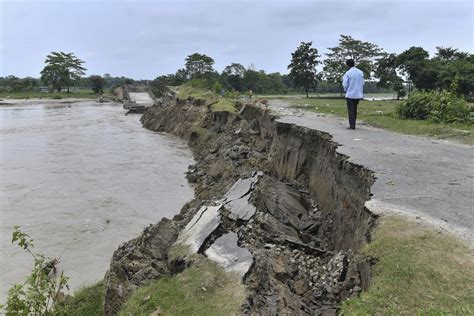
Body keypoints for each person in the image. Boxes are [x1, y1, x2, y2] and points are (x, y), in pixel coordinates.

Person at [342, 59, 364, 130]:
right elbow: (363, 83)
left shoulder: (348, 73)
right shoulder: (360, 72)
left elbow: (345, 84)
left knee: (350, 110)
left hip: (350, 94)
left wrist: (346, 90)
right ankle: (353, 123)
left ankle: (352, 125)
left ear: (347, 65)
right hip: (358, 94)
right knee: (355, 109)